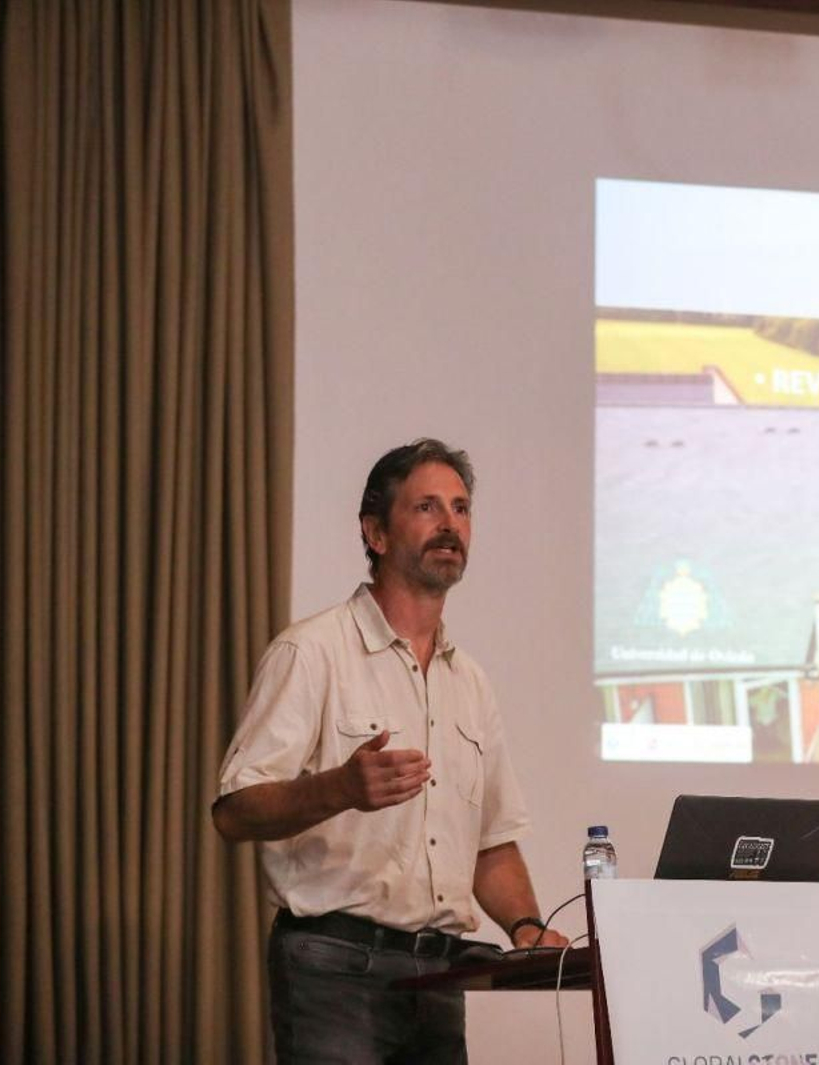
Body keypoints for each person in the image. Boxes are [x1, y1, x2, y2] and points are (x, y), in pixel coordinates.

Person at [213, 438, 567, 1064]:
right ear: (375, 533)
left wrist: (525, 926)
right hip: (334, 970)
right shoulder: (311, 652)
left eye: (460, 508)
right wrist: (340, 788)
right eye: (427, 507)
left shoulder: (469, 681)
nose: (449, 523)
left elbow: (491, 842)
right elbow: (235, 812)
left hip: (440, 979)